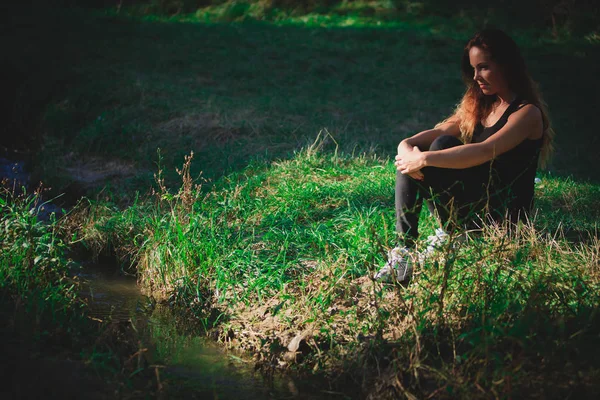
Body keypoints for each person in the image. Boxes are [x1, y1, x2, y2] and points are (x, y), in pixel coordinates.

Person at [374, 28, 554, 282]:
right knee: (432, 145)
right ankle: (404, 252)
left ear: (507, 65)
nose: (476, 76)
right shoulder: (481, 106)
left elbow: (483, 151)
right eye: (473, 69)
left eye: (483, 67)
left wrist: (423, 160)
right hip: (473, 205)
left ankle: (457, 234)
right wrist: (407, 147)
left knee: (439, 147)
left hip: (502, 218)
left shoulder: (527, 113)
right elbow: (426, 136)